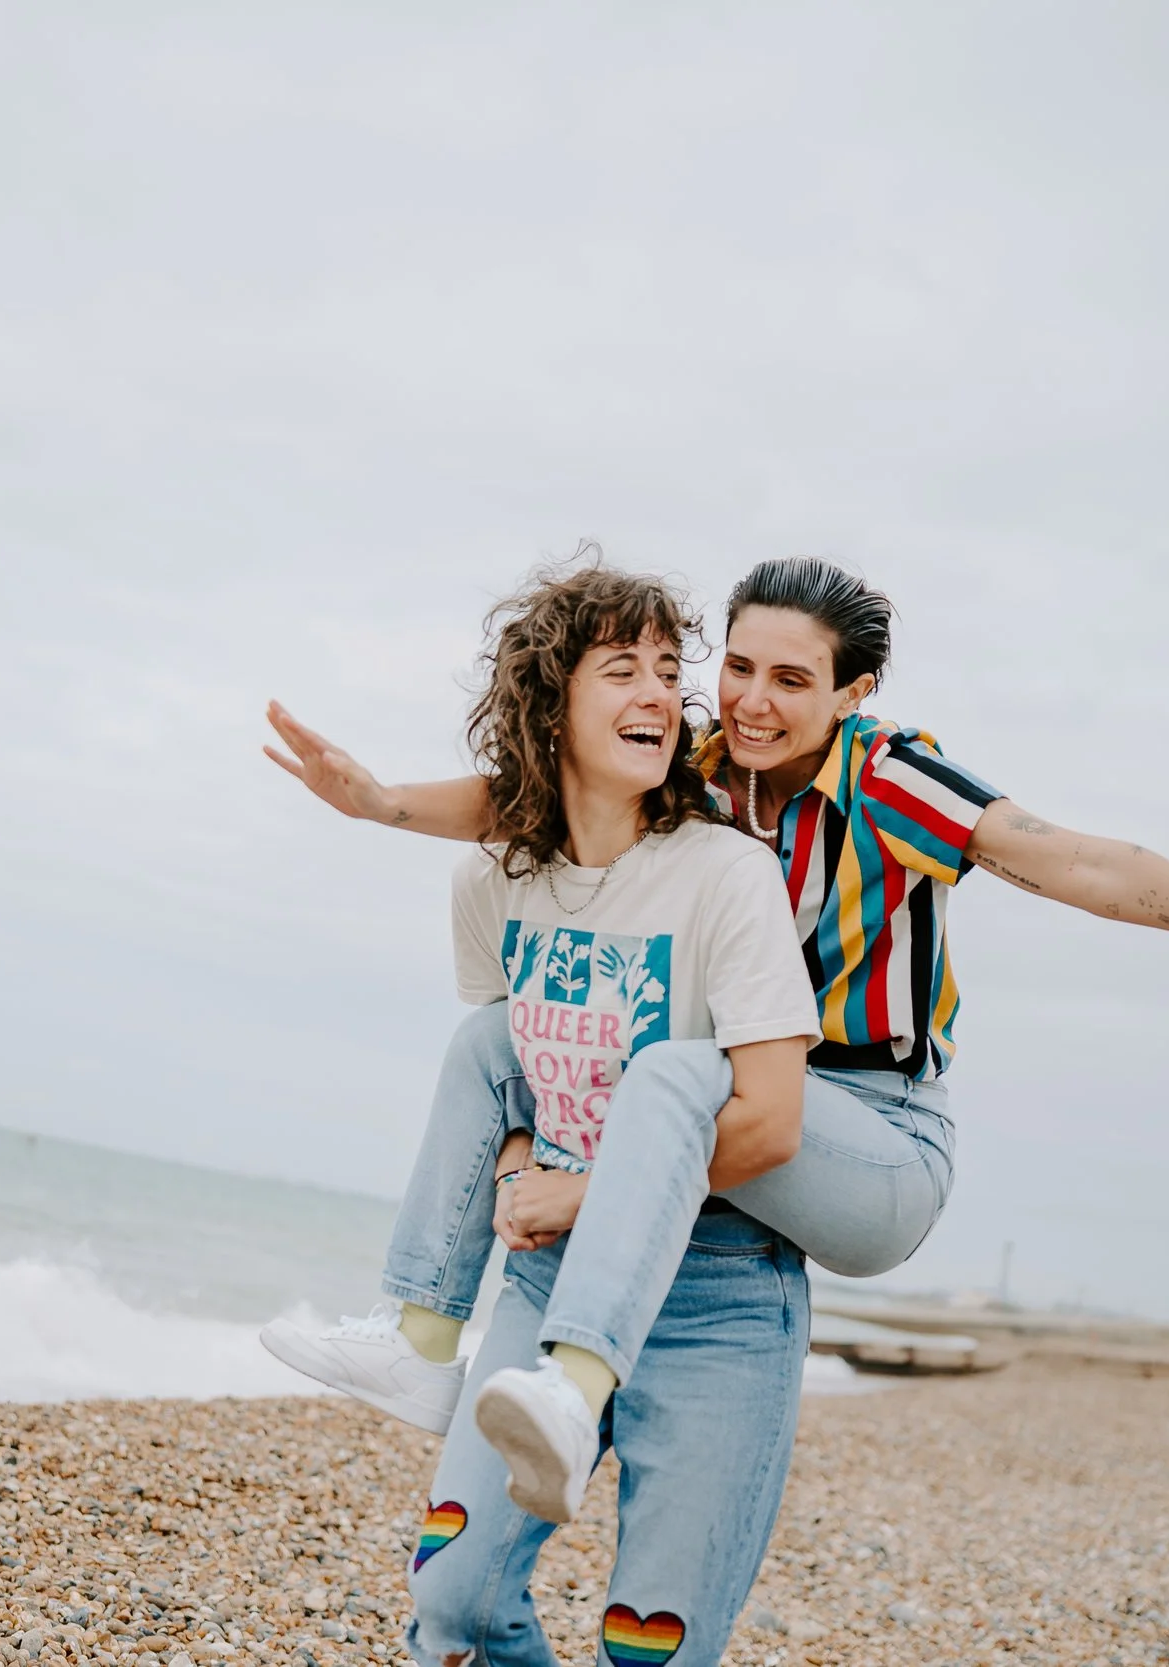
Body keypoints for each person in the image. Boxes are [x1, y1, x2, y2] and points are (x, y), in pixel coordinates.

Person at [262, 556, 1169, 1474]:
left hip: (872, 1129)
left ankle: (572, 1383)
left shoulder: (884, 775)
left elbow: (1086, 864)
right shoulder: (693, 760)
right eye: (735, 666)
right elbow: (530, 792)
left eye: (790, 679)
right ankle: (420, 1341)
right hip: (733, 1091)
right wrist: (374, 801)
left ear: (853, 688)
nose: (749, 700)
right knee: (501, 1041)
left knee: (674, 1079)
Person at [335, 557, 821, 1667]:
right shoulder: (492, 878)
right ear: (548, 701)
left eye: (668, 669)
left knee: (645, 1647)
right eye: (621, 669)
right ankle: (415, 1329)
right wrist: (516, 1179)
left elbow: (773, 1122)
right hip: (554, 1272)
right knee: (451, 1601)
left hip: (720, 1292)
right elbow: (517, 1071)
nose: (660, 693)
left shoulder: (726, 875)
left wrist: (584, 1190)